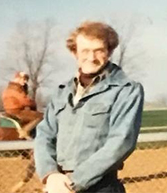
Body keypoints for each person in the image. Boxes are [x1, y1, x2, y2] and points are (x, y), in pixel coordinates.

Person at [34, 21, 144, 193]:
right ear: (74, 53)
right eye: (85, 51)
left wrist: (73, 183)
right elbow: (44, 135)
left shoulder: (126, 90)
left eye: (99, 50)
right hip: (57, 186)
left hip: (98, 186)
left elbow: (121, 142)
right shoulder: (61, 92)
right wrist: (51, 175)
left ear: (109, 51)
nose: (91, 57)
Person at [2, 71, 43, 139]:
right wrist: (33, 104)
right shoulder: (16, 89)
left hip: (10, 110)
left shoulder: (10, 88)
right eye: (23, 79)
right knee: (41, 117)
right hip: (17, 112)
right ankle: (24, 131)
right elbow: (25, 101)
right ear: (18, 78)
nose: (25, 82)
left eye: (26, 80)